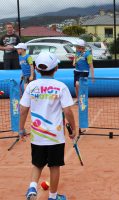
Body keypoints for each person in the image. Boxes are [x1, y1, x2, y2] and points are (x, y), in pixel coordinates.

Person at [19, 52, 77, 200]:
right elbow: (68, 111)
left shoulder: (31, 86)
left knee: (37, 164)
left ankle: (32, 188)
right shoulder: (60, 87)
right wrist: (73, 129)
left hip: (37, 135)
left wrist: (21, 129)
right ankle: (53, 196)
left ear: (37, 69)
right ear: (56, 68)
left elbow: (23, 110)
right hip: (55, 136)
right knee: (54, 166)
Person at [72, 39, 94, 104]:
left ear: (81, 47)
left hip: (84, 72)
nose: (76, 48)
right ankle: (78, 100)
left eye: (77, 46)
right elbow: (74, 62)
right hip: (76, 71)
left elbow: (91, 66)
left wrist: (92, 76)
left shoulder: (88, 55)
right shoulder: (77, 53)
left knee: (77, 84)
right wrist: (74, 62)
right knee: (75, 86)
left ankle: (82, 99)